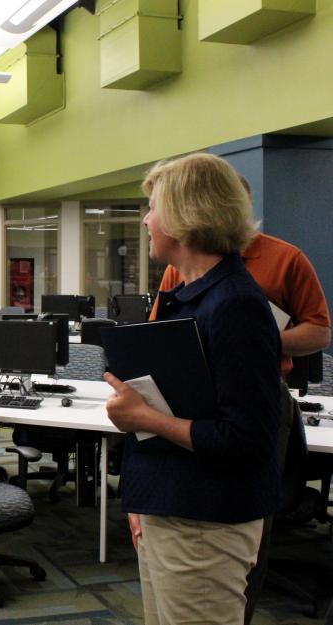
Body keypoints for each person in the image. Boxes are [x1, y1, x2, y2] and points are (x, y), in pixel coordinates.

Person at [104, 152, 282, 625]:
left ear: (187, 214)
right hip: (173, 505)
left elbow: (246, 439)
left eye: (154, 206)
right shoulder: (192, 297)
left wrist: (144, 418)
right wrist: (142, 499)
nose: (145, 219)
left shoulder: (234, 305)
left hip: (206, 520)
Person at [151, 182, 331, 624]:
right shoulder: (181, 268)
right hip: (197, 400)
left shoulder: (283, 259)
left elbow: (320, 331)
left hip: (258, 392)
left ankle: (241, 600)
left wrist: (253, 341)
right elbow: (160, 329)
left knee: (247, 513)